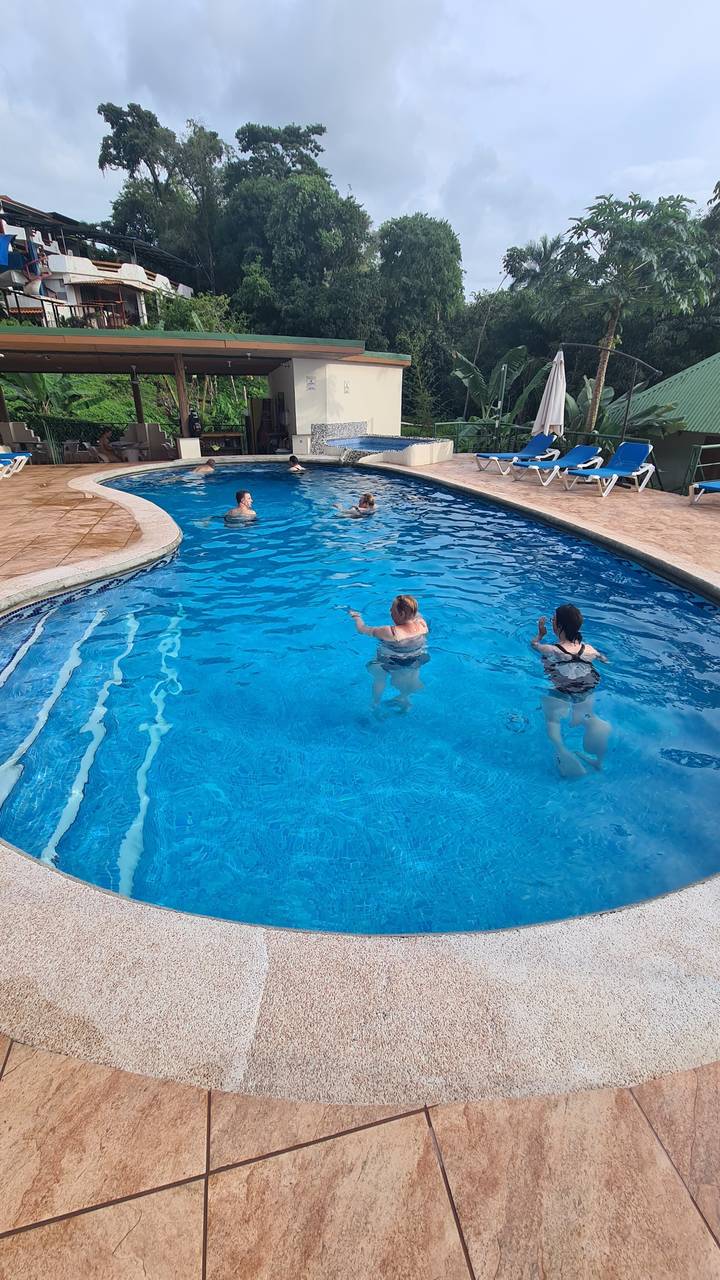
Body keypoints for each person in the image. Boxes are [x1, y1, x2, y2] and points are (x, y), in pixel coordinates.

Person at [531, 603, 610, 778]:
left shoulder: (551, 649)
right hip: (587, 683)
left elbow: (534, 645)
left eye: (553, 620)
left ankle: (564, 754)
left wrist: (540, 635)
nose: (552, 622)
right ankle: (598, 761)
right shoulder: (589, 649)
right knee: (589, 717)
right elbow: (604, 659)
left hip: (563, 685)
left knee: (553, 721)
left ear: (558, 626)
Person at [349, 594, 429, 709]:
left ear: (401, 614)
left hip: (394, 661)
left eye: (393, 608)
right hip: (417, 658)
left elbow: (362, 629)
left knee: (376, 671)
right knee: (412, 673)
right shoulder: (422, 624)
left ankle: (375, 704)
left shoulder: (390, 632)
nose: (390, 610)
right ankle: (404, 697)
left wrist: (356, 617)